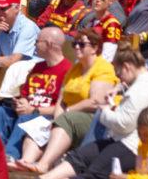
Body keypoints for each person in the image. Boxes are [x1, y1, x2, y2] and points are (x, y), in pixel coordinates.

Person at [40, 44, 148, 179]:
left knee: (95, 172)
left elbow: (124, 124)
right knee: (82, 155)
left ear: (126, 67)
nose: (120, 79)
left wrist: (105, 111)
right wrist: (119, 91)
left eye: (119, 74)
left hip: (143, 145)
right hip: (135, 140)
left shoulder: (141, 88)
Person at [14, 29, 118, 174]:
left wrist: (67, 112)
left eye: (81, 44)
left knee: (67, 119)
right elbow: (61, 102)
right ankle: (25, 163)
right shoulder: (74, 70)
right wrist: (55, 120)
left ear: (94, 48)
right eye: (75, 44)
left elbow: (96, 102)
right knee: (40, 124)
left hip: (96, 120)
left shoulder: (103, 68)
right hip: (71, 118)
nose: (76, 47)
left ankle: (44, 164)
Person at [0, 26, 72, 159]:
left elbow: (64, 108)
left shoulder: (67, 70)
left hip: (45, 118)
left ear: (49, 44)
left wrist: (33, 110)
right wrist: (22, 102)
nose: (34, 45)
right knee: (0, 112)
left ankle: (10, 155)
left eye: (37, 41)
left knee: (26, 117)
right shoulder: (38, 67)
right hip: (27, 112)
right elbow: (26, 95)